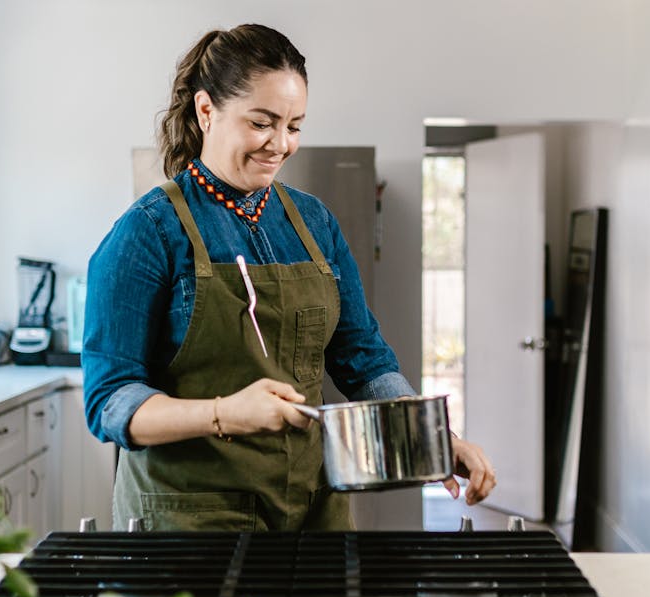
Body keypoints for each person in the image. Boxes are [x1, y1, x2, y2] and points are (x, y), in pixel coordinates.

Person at [83, 23, 496, 531]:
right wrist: (224, 413)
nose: (281, 144)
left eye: (294, 126)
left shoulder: (314, 222)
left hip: (310, 513)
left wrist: (433, 439)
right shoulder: (146, 232)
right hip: (188, 524)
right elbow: (110, 401)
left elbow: (363, 359)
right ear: (206, 110)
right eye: (262, 123)